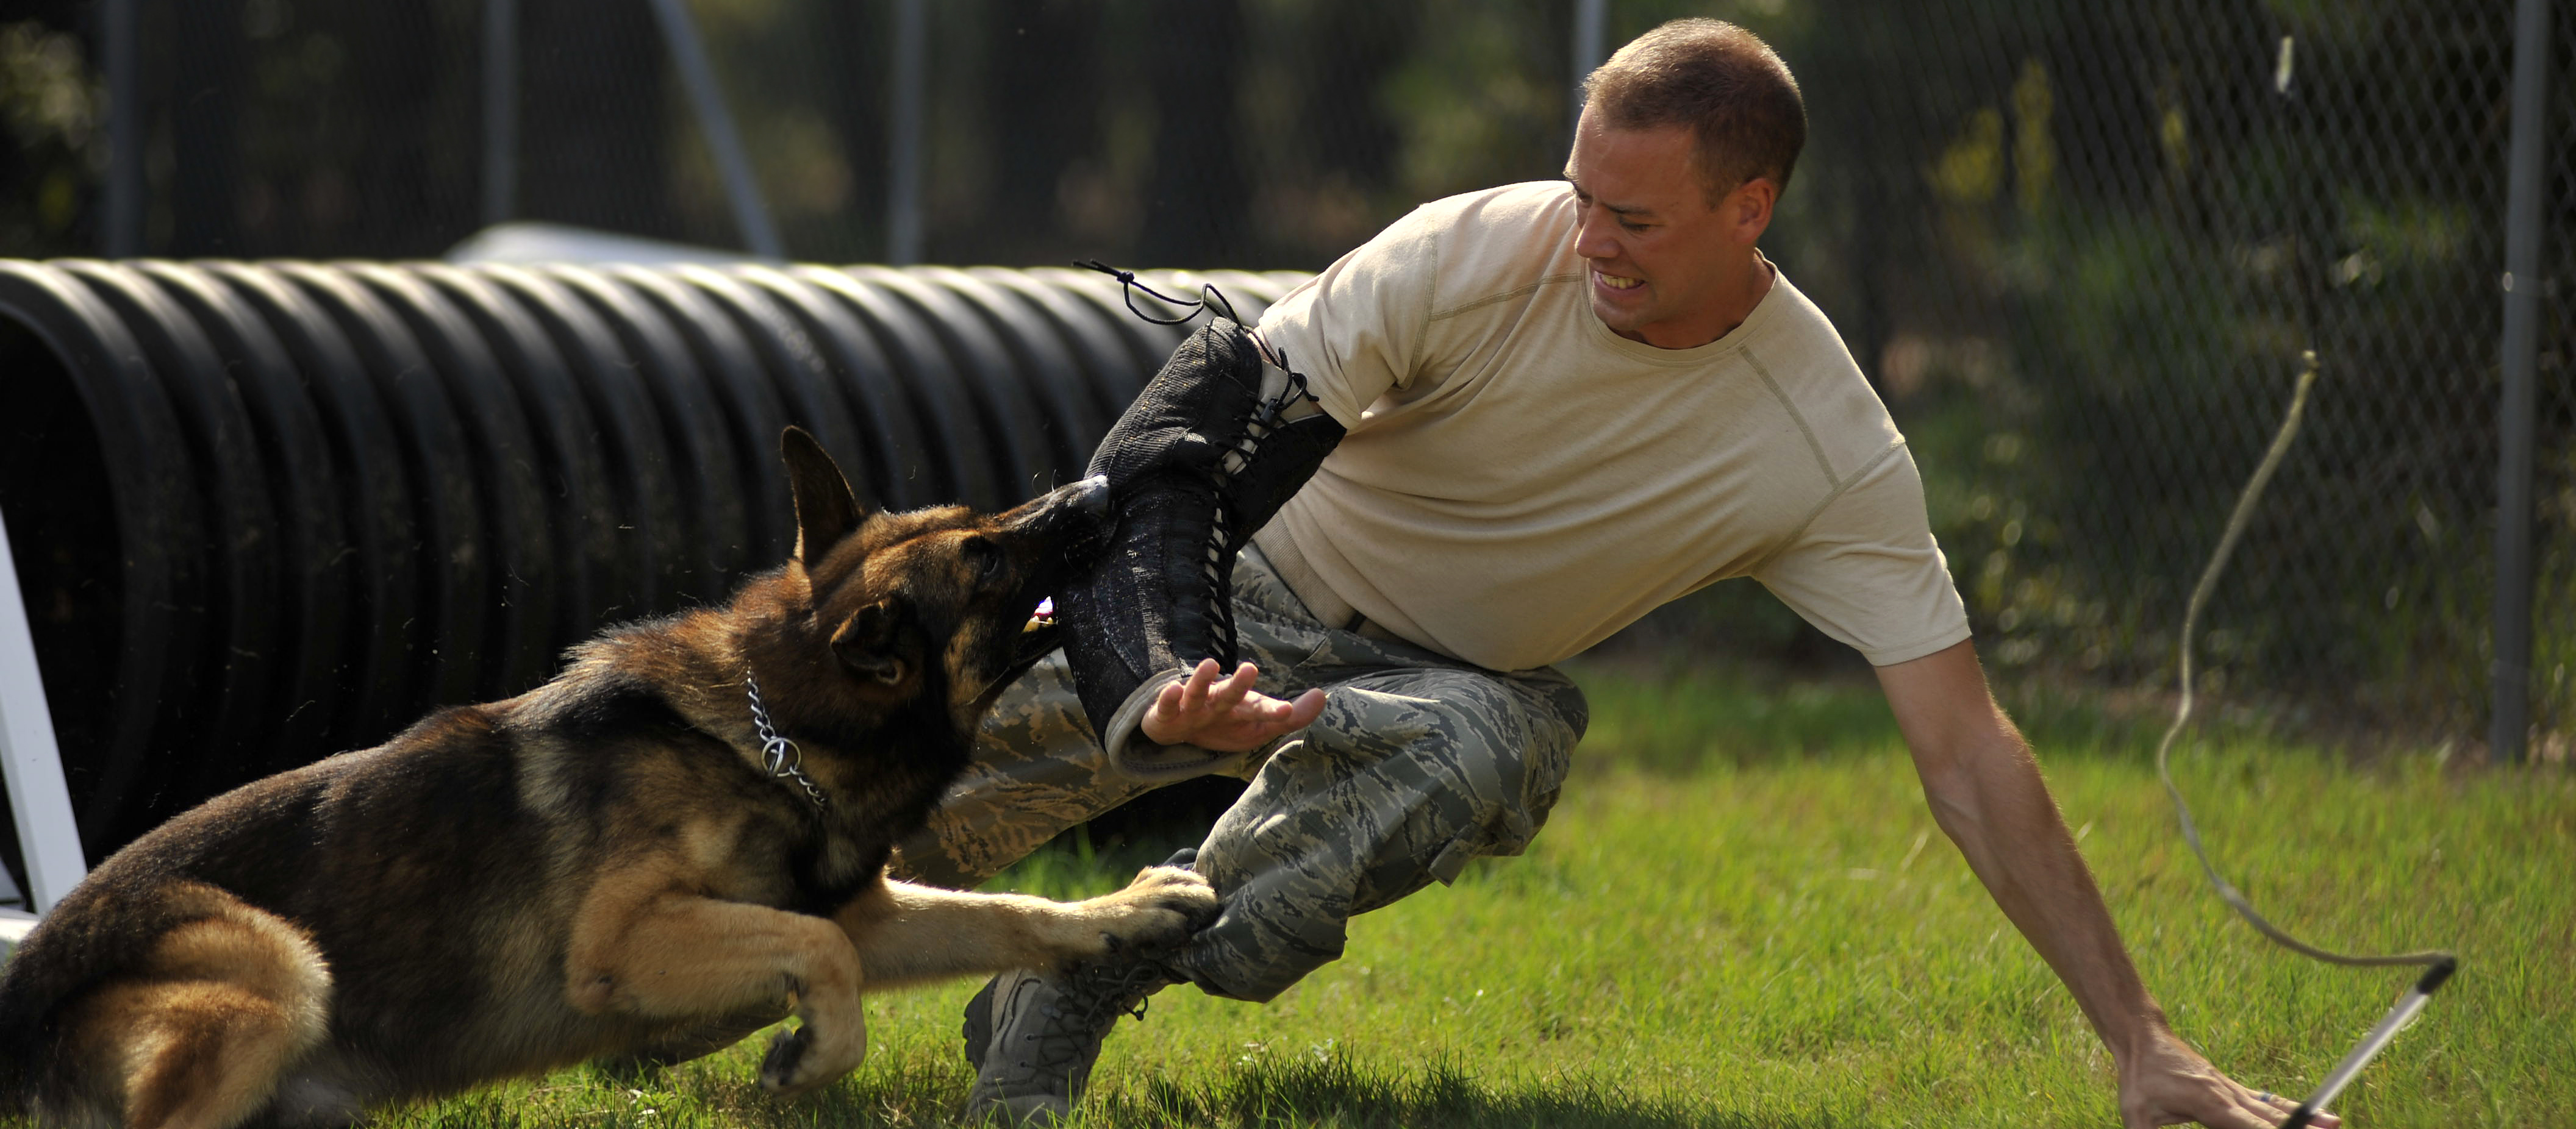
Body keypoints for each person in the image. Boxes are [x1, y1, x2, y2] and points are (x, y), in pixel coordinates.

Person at [894, 18, 2330, 1129]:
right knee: (865, 823)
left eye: (1635, 220)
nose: (1589, 244)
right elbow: (1188, 451)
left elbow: (1963, 749)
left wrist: (2143, 1039)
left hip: (1444, 689)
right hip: (1235, 603)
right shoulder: (1473, 253)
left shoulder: (1821, 441)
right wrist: (1161, 672)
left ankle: (1081, 970)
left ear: (1750, 208)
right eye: (1584, 195)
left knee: (1487, 739)